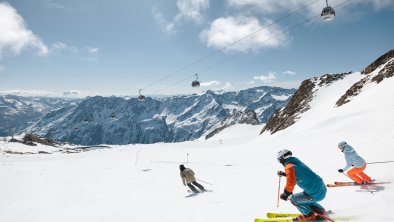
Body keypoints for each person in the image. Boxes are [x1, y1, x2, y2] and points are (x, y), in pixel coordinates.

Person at [277, 149, 327, 221]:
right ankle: (320, 211)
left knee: (294, 199)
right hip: (320, 189)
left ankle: (310, 216)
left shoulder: (289, 167)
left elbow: (291, 182)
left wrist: (286, 193)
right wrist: (284, 174)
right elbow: (299, 174)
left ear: (282, 159)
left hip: (315, 193)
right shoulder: (296, 162)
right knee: (304, 198)